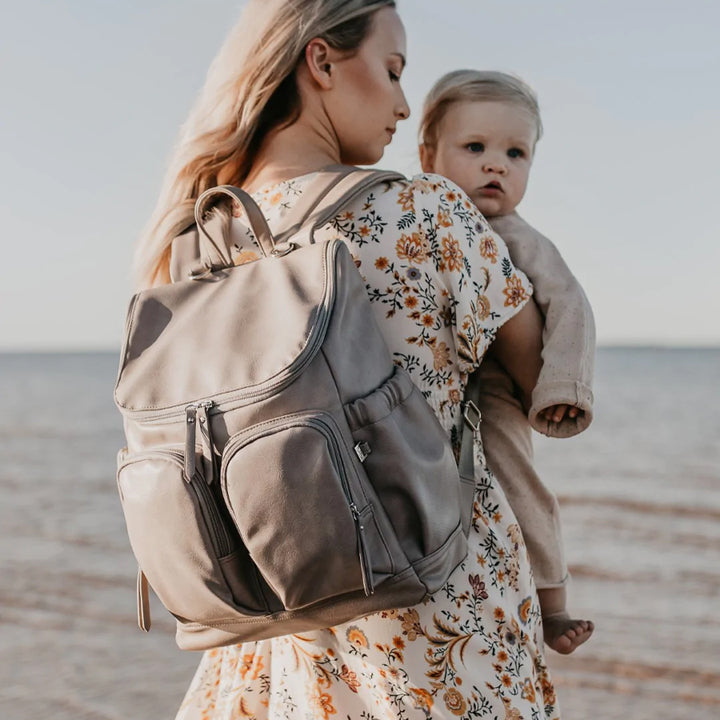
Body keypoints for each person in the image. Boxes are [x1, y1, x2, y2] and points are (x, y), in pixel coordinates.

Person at [136, 2, 560, 717]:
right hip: (439, 615)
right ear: (322, 61)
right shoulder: (426, 210)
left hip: (270, 629)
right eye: (392, 72)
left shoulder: (192, 241)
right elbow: (535, 373)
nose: (402, 105)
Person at [419, 69, 595, 654]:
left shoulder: (520, 238)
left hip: (493, 389)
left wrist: (561, 388)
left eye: (515, 153)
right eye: (476, 148)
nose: (496, 165)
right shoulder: (419, 215)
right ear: (429, 154)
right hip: (422, 385)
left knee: (520, 481)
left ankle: (552, 604)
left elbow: (571, 309)